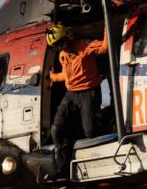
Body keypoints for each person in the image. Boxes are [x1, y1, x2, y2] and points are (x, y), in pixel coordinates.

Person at [47, 24, 109, 176]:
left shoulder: (83, 45)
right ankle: (62, 169)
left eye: (61, 43)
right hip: (71, 94)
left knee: (90, 131)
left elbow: (104, 48)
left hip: (88, 92)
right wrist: (53, 77)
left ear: (68, 37)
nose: (61, 47)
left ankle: (109, 123)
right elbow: (68, 75)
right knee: (56, 129)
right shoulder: (63, 55)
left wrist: (106, 26)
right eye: (57, 45)